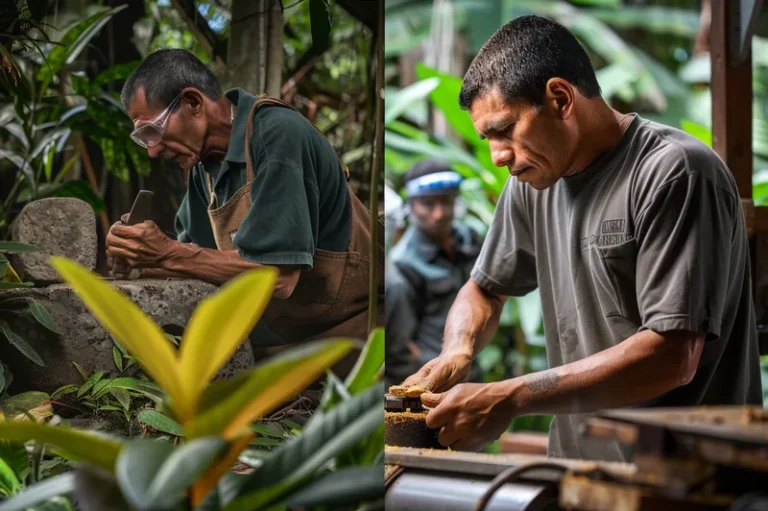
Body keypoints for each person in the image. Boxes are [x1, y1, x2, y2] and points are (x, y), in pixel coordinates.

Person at [401, 15, 762, 462]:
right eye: (488, 138)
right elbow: (484, 288)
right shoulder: (532, 183)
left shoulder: (675, 172)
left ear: (560, 98)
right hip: (576, 469)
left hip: (686, 477)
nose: (497, 156)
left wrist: (508, 397)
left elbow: (673, 356)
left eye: (504, 130)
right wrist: (459, 347)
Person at [106, 49, 383, 351]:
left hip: (353, 335)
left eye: (152, 131)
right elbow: (196, 258)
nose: (152, 151)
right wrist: (139, 258)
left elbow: (279, 277)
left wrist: (164, 253)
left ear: (193, 103)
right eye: (143, 138)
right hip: (285, 338)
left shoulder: (277, 135)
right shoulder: (203, 167)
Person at [385, 161, 483, 387]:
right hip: (435, 381)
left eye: (446, 201)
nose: (439, 214)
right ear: (411, 205)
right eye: (428, 204)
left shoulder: (470, 239)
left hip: (472, 370)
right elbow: (399, 345)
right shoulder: (404, 264)